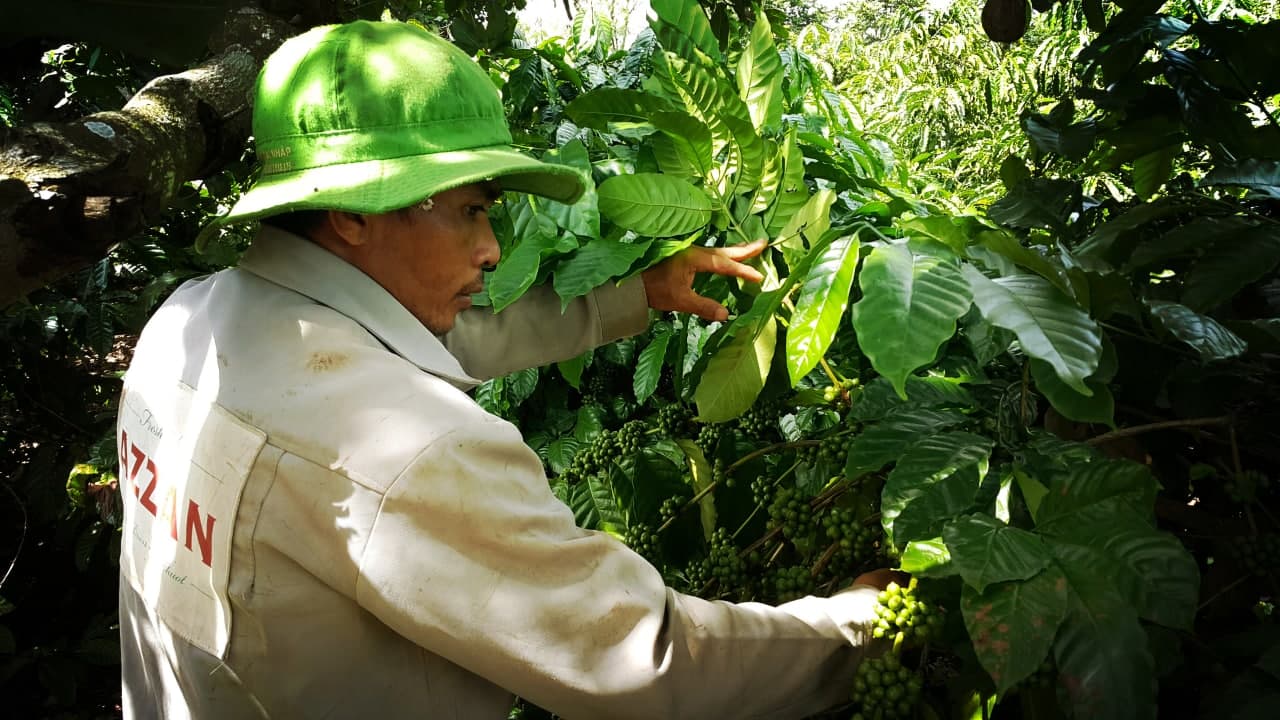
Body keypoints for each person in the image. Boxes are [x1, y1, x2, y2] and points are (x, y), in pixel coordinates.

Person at [116, 20, 889, 720]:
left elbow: (451, 341)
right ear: (354, 213)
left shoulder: (187, 327)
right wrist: (858, 627)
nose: (491, 249)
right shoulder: (414, 452)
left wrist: (639, 292)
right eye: (470, 210)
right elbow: (639, 662)